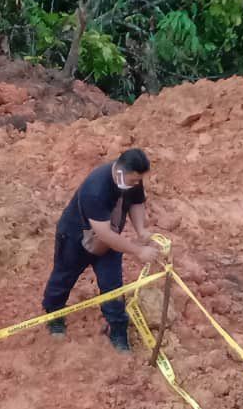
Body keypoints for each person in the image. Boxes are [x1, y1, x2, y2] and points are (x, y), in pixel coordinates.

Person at [42, 148, 163, 353]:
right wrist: (138, 251)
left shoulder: (132, 177)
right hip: (75, 236)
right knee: (64, 276)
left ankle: (117, 329)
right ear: (119, 172)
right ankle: (54, 315)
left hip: (110, 237)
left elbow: (136, 201)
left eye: (138, 181)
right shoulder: (96, 189)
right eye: (133, 180)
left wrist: (141, 229)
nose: (136, 184)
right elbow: (104, 234)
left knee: (113, 286)